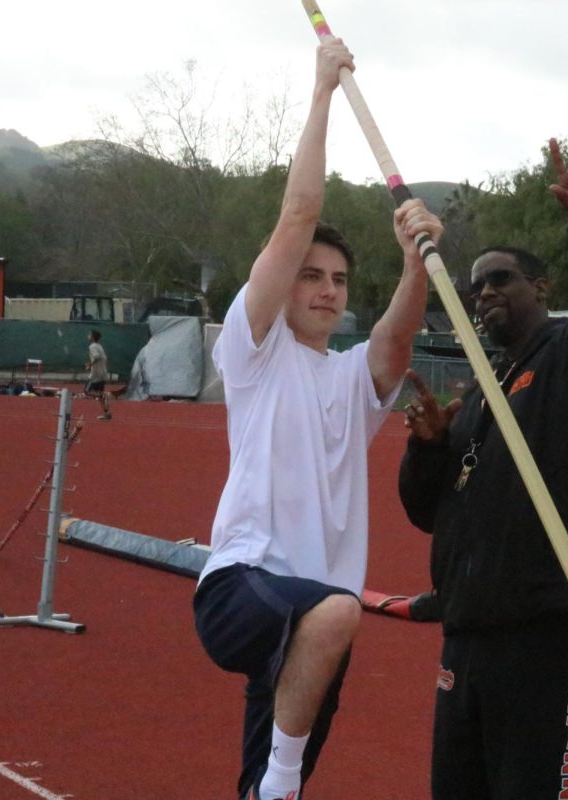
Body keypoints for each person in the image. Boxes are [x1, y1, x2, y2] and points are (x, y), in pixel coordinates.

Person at [192, 38, 442, 800]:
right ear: (284, 285)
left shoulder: (348, 380)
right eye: (311, 276)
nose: (328, 289)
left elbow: (395, 340)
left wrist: (414, 261)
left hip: (313, 623)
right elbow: (300, 212)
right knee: (336, 616)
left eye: (339, 280)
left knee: (278, 770)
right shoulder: (254, 350)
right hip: (244, 585)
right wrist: (323, 89)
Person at [397, 139, 568, 800]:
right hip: (466, 637)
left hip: (546, 637)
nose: (484, 292)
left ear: (541, 286)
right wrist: (426, 448)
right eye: (476, 284)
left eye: (500, 278)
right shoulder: (478, 393)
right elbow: (428, 512)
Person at [84, 330, 111, 419]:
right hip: (102, 373)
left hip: (96, 374)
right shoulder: (99, 346)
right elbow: (102, 357)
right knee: (99, 395)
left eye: (89, 334)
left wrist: (90, 365)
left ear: (92, 337)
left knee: (87, 391)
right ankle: (107, 413)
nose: (88, 336)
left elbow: (97, 357)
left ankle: (104, 396)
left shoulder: (92, 346)